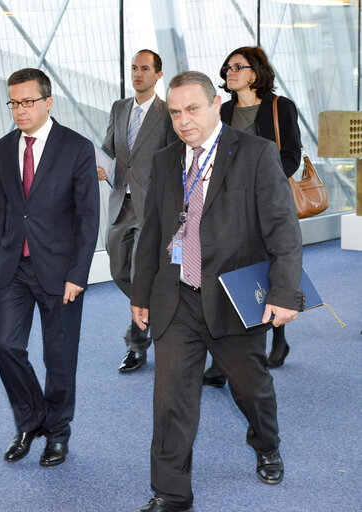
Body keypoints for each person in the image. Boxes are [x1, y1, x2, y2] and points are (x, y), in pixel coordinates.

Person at [130, 71, 303, 512]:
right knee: (171, 401)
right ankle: (171, 494)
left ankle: (266, 443)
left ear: (215, 106)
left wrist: (285, 293)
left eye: (192, 109)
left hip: (232, 296)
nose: (184, 120)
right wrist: (140, 295)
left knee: (251, 389)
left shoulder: (256, 154)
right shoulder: (167, 160)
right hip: (178, 296)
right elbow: (153, 232)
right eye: (174, 112)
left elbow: (283, 230)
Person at [0, 68, 99, 467]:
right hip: (14, 265)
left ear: (48, 101)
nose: (20, 110)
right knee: (5, 345)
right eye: (14, 103)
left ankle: (58, 433)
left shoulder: (77, 147)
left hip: (61, 270)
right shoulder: (3, 148)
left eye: (28, 102)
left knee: (59, 356)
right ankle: (32, 418)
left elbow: (89, 218)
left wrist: (78, 275)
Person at [202, 46, 302, 387]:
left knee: (268, 268)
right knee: (225, 272)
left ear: (255, 73)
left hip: (267, 202)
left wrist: (267, 181)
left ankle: (277, 336)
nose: (229, 72)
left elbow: (291, 155)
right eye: (227, 67)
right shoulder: (223, 110)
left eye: (238, 67)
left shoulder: (279, 107)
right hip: (227, 203)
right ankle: (221, 357)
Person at [98, 49, 178, 373]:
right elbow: (108, 147)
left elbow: (176, 159)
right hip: (121, 202)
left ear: (158, 74)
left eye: (145, 68)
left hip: (152, 207)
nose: (137, 73)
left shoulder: (166, 112)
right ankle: (164, 314)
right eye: (133, 68)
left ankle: (137, 344)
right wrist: (100, 166)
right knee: (120, 271)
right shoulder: (119, 108)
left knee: (141, 274)